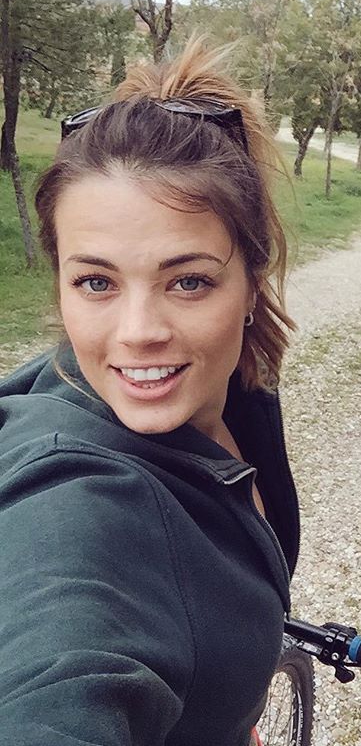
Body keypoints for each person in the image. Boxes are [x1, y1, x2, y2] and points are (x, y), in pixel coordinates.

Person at [0, 37, 300, 745]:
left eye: (188, 280)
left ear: (251, 284)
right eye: (96, 281)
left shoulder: (235, 385)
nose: (138, 334)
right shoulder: (75, 499)